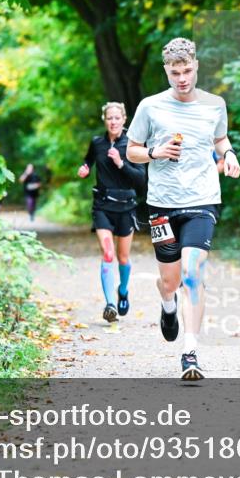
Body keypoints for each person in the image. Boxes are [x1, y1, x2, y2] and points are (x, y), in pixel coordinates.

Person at [126, 38, 240, 381]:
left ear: (196, 66)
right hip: (162, 202)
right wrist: (155, 153)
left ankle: (190, 352)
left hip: (202, 198)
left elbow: (220, 139)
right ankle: (167, 304)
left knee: (192, 274)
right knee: (170, 280)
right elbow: (132, 150)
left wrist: (229, 154)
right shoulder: (150, 106)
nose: (182, 78)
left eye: (187, 71)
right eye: (175, 73)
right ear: (166, 71)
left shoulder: (214, 104)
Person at [79, 103, 146, 323]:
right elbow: (88, 160)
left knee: (123, 257)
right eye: (110, 118)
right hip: (103, 206)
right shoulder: (97, 142)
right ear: (104, 119)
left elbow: (141, 180)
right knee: (108, 253)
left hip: (126, 207)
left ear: (124, 119)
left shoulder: (133, 145)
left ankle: (123, 291)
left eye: (117, 118)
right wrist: (85, 168)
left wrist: (120, 163)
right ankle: (110, 305)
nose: (113, 122)